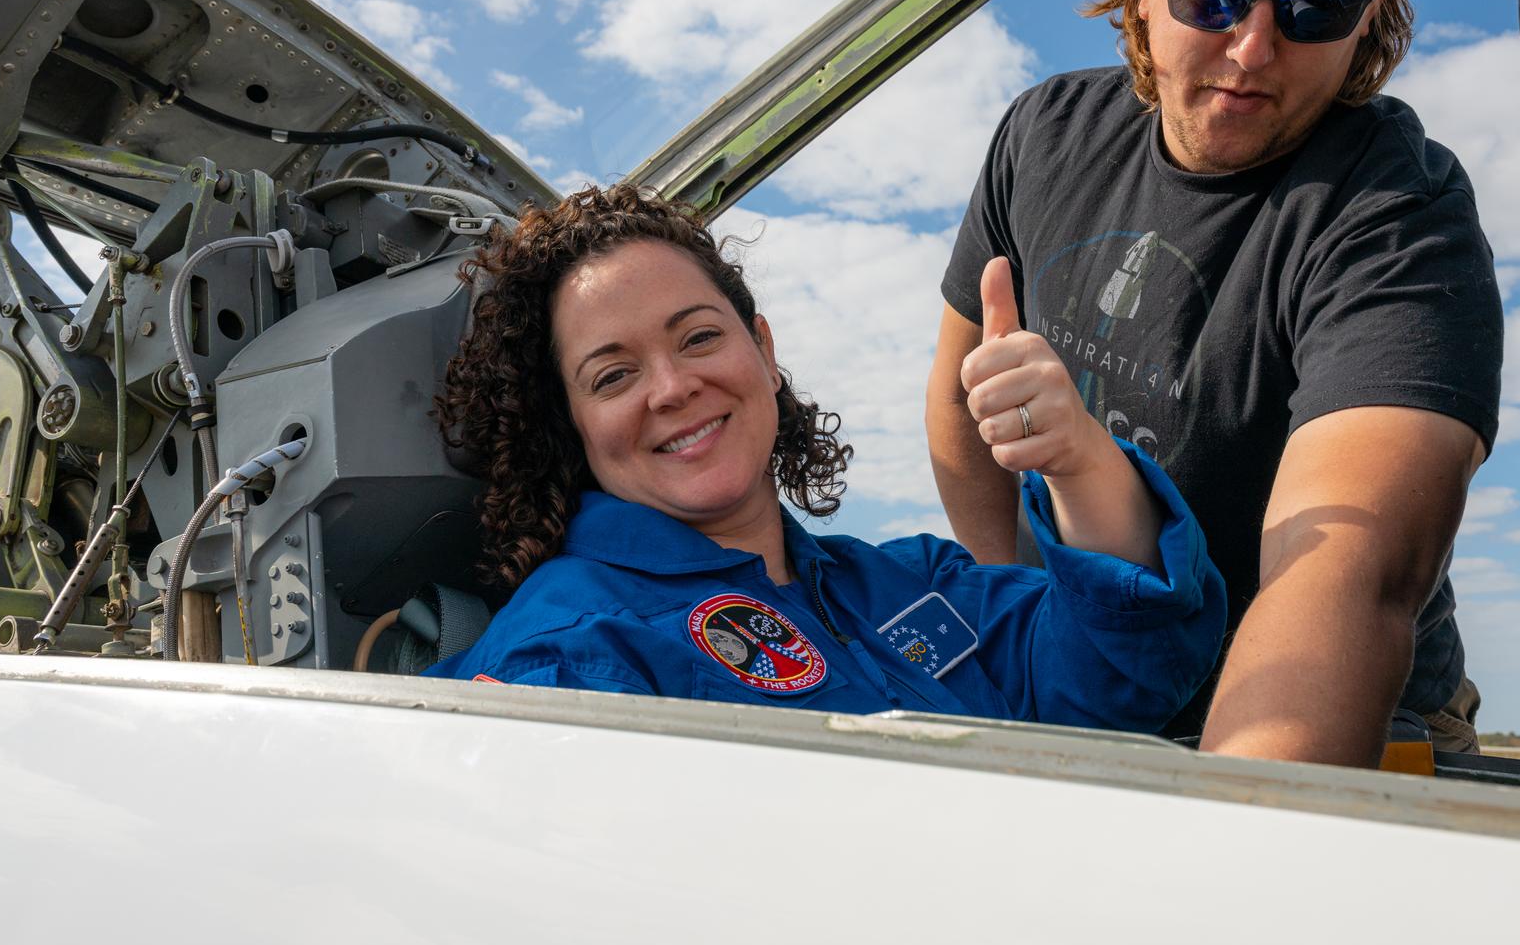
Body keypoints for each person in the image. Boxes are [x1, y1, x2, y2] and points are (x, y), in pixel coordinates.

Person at [925, 0, 1503, 766]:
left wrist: (1244, 836)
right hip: (1107, 668)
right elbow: (959, 398)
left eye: (1315, 7)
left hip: (1330, 722)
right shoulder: (1043, 135)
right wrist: (1029, 617)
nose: (1252, 50)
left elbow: (1346, 566)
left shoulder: (1399, 213)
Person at [424, 184, 1225, 734]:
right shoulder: (570, 652)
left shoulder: (913, 586)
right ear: (573, 425)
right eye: (613, 375)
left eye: (699, 336)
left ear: (763, 351)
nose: (672, 387)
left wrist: (1077, 458)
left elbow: (1131, 672)